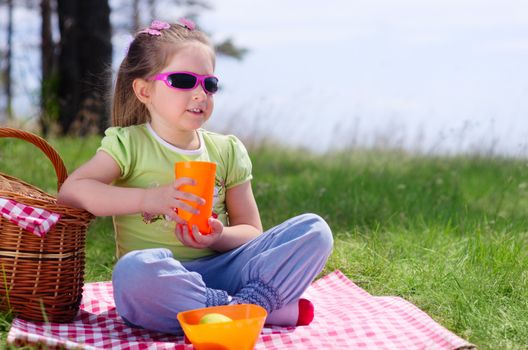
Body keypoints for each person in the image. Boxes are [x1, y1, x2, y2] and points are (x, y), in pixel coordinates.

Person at [57, 19, 333, 335]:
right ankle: (251, 309)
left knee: (315, 230)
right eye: (184, 80)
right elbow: (72, 191)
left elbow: (252, 232)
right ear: (144, 90)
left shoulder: (227, 149)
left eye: (209, 84)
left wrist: (219, 237)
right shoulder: (129, 144)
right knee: (132, 273)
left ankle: (235, 308)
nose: (200, 94)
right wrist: (149, 198)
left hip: (226, 269)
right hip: (164, 281)